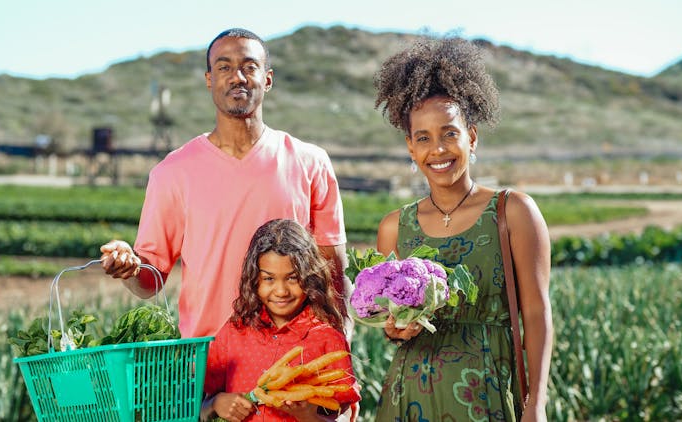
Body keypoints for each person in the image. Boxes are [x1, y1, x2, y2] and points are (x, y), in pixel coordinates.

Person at [99, 28, 351, 339]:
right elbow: (150, 282)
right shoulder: (172, 172)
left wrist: (342, 344)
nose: (237, 77)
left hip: (291, 359)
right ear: (209, 80)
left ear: (267, 79)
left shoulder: (310, 162)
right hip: (207, 360)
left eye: (249, 67)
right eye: (224, 67)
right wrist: (132, 268)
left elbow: (334, 274)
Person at [371, 36, 553, 421]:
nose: (437, 149)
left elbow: (537, 314)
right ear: (410, 147)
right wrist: (394, 328)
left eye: (449, 133)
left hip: (489, 394)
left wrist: (536, 404)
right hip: (409, 397)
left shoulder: (512, 211)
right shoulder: (394, 228)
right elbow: (391, 323)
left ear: (471, 137)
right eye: (424, 138)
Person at [201, 219, 360, 422]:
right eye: (269, 278)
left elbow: (346, 415)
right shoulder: (234, 331)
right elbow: (200, 403)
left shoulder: (327, 339)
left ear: (309, 278)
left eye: (292, 278)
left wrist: (308, 416)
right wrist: (215, 404)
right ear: (254, 279)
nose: (281, 291)